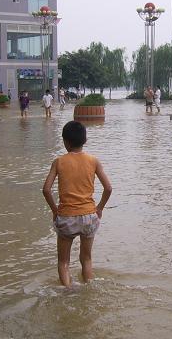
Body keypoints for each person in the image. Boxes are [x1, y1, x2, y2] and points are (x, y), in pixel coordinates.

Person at [42, 121, 112, 287]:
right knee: (86, 259)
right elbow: (108, 188)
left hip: (67, 217)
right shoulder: (93, 161)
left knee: (64, 262)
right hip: (89, 216)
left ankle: (67, 293)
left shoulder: (58, 162)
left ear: (65, 141)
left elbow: (46, 190)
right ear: (85, 140)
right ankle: (89, 288)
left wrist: (55, 210)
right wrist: (99, 208)